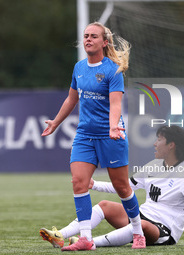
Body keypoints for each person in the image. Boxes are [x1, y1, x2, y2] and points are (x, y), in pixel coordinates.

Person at [40, 22, 145, 251]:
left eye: (94, 36)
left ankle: (138, 232)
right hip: (85, 135)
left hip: (112, 135)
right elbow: (71, 99)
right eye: (86, 35)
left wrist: (113, 127)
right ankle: (86, 239)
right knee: (79, 182)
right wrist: (56, 122)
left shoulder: (113, 69)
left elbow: (116, 103)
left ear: (104, 42)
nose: (88, 39)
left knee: (122, 188)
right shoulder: (78, 67)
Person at [40, 125, 184, 248]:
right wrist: (94, 184)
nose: (155, 143)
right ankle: (61, 235)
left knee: (142, 225)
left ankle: (91, 243)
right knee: (105, 205)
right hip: (143, 216)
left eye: (159, 139)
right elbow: (123, 187)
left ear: (171, 145)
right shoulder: (154, 166)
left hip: (164, 231)